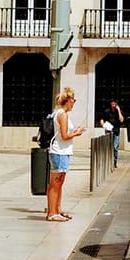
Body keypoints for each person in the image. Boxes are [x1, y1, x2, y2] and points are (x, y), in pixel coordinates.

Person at [45, 87, 85, 222]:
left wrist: (76, 130)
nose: (74, 102)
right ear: (68, 100)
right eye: (73, 100)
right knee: (55, 183)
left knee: (59, 182)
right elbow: (64, 135)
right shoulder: (62, 114)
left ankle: (57, 210)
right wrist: (77, 133)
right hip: (59, 151)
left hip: (63, 151)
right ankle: (52, 213)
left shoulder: (60, 113)